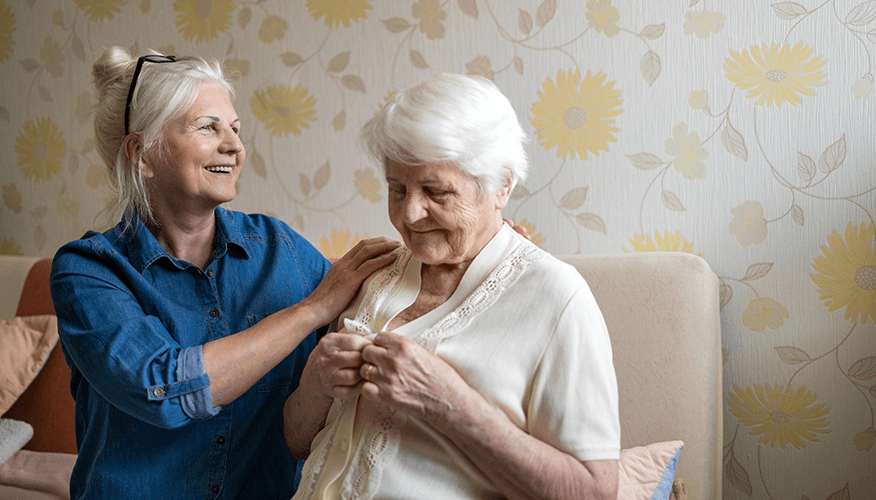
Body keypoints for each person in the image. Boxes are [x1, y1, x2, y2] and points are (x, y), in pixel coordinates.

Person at [49, 47, 399, 499]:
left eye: (234, 129)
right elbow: (167, 390)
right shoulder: (88, 270)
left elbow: (383, 298)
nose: (234, 146)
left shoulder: (280, 247)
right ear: (142, 153)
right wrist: (309, 310)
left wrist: (484, 249)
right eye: (207, 127)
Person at [283, 73, 620, 500]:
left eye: (436, 192)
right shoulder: (373, 271)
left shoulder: (556, 297)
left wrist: (449, 403)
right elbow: (297, 442)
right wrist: (315, 377)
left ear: (501, 186)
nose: (410, 213)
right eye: (397, 189)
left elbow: (594, 492)